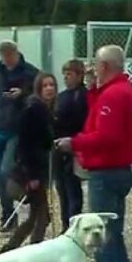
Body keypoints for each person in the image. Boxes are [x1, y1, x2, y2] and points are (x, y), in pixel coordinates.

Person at [54, 45, 132, 262]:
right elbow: (100, 119)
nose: (92, 68)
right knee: (113, 230)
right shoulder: (117, 91)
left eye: (96, 64)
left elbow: (106, 135)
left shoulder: (115, 95)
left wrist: (75, 143)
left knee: (101, 233)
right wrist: (93, 89)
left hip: (107, 170)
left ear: (105, 66)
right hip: (117, 169)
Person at [0, 40, 39, 233]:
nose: (6, 59)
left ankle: (25, 199)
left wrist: (22, 94)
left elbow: (37, 96)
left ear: (16, 53)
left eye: (9, 55)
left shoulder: (30, 72)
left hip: (19, 128)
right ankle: (8, 215)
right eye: (3, 56)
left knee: (7, 170)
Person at [0, 73, 57, 255]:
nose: (49, 89)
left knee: (36, 216)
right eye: (45, 85)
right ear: (38, 88)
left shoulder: (45, 109)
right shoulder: (33, 110)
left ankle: (10, 250)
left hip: (38, 170)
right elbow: (25, 146)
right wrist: (31, 176)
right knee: (41, 216)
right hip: (31, 172)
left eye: (52, 85)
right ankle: (31, 253)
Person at [53, 59, 87, 233]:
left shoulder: (83, 95)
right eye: (64, 74)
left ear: (79, 75)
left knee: (72, 188)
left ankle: (73, 222)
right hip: (59, 146)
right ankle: (65, 222)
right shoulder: (62, 96)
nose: (66, 78)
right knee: (61, 188)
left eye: (70, 74)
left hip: (74, 146)